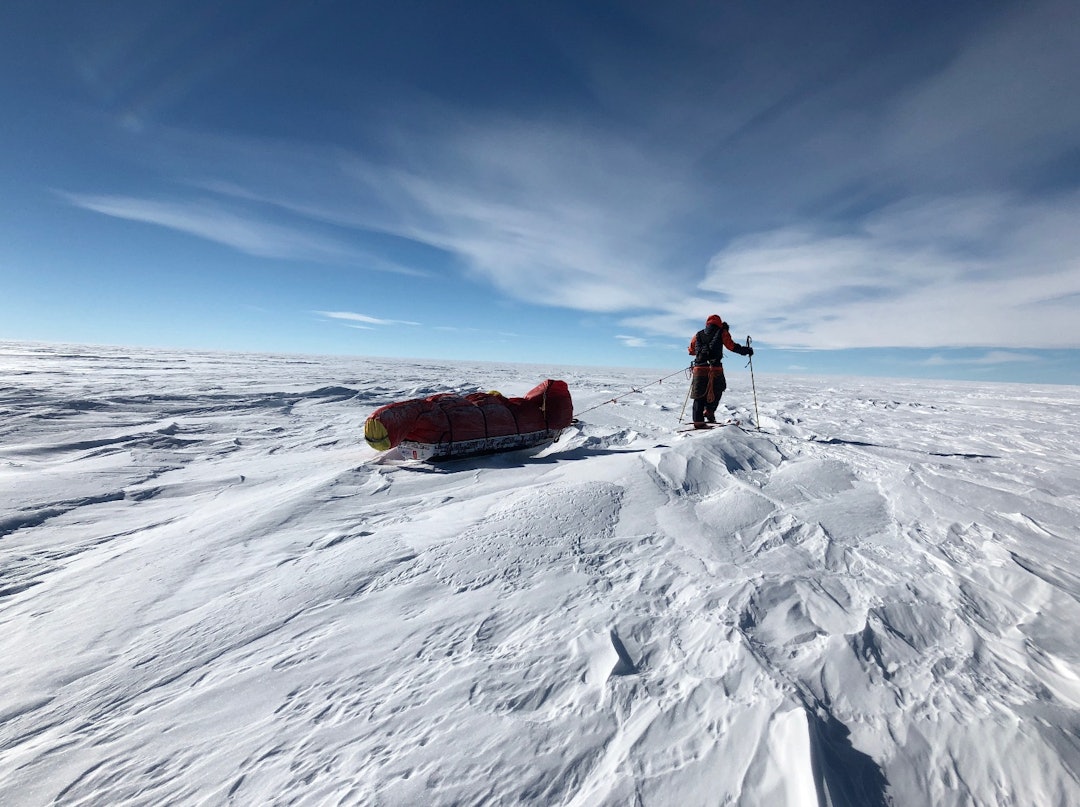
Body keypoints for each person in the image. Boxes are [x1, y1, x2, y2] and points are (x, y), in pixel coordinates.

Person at [687, 314, 753, 428]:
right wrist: (746, 350)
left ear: (707, 323)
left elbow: (691, 350)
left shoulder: (698, 335)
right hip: (715, 368)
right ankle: (709, 411)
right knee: (718, 389)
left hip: (699, 368)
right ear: (719, 323)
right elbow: (731, 346)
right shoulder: (722, 332)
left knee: (699, 395)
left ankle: (698, 422)